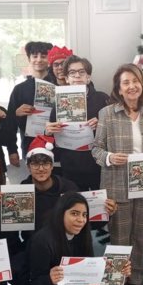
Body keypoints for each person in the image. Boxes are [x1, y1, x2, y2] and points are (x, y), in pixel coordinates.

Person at [92, 63, 143, 285]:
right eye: (126, 82)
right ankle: (117, 282)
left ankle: (135, 279)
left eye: (135, 81)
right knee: (119, 236)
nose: (131, 86)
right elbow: (95, 149)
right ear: (119, 88)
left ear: (142, 85)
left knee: (140, 235)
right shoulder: (107, 114)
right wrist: (109, 157)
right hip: (116, 183)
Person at [14, 192, 126, 285]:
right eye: (74, 213)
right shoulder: (42, 240)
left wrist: (117, 273)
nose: (80, 220)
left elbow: (88, 276)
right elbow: (32, 283)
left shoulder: (82, 235)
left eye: (84, 215)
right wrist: (49, 279)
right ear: (61, 213)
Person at [45, 55, 110, 192]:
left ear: (88, 77)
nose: (77, 76)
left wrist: (102, 125)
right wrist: (48, 131)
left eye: (82, 72)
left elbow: (116, 130)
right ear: (67, 78)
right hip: (70, 166)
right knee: (74, 207)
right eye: (72, 73)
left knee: (99, 207)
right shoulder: (58, 102)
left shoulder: (102, 99)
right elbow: (50, 138)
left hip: (97, 165)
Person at [19, 135, 80, 248]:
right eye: (35, 164)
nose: (41, 169)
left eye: (46, 163)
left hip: (65, 244)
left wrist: (106, 211)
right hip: (33, 245)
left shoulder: (69, 188)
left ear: (52, 166)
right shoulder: (22, 190)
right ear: (28, 167)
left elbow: (82, 221)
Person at [8, 41, 54, 157]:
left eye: (43, 56)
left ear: (49, 59)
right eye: (34, 56)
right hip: (29, 144)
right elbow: (10, 123)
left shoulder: (58, 87)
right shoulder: (19, 89)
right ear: (29, 59)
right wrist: (12, 150)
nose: (39, 60)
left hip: (56, 145)